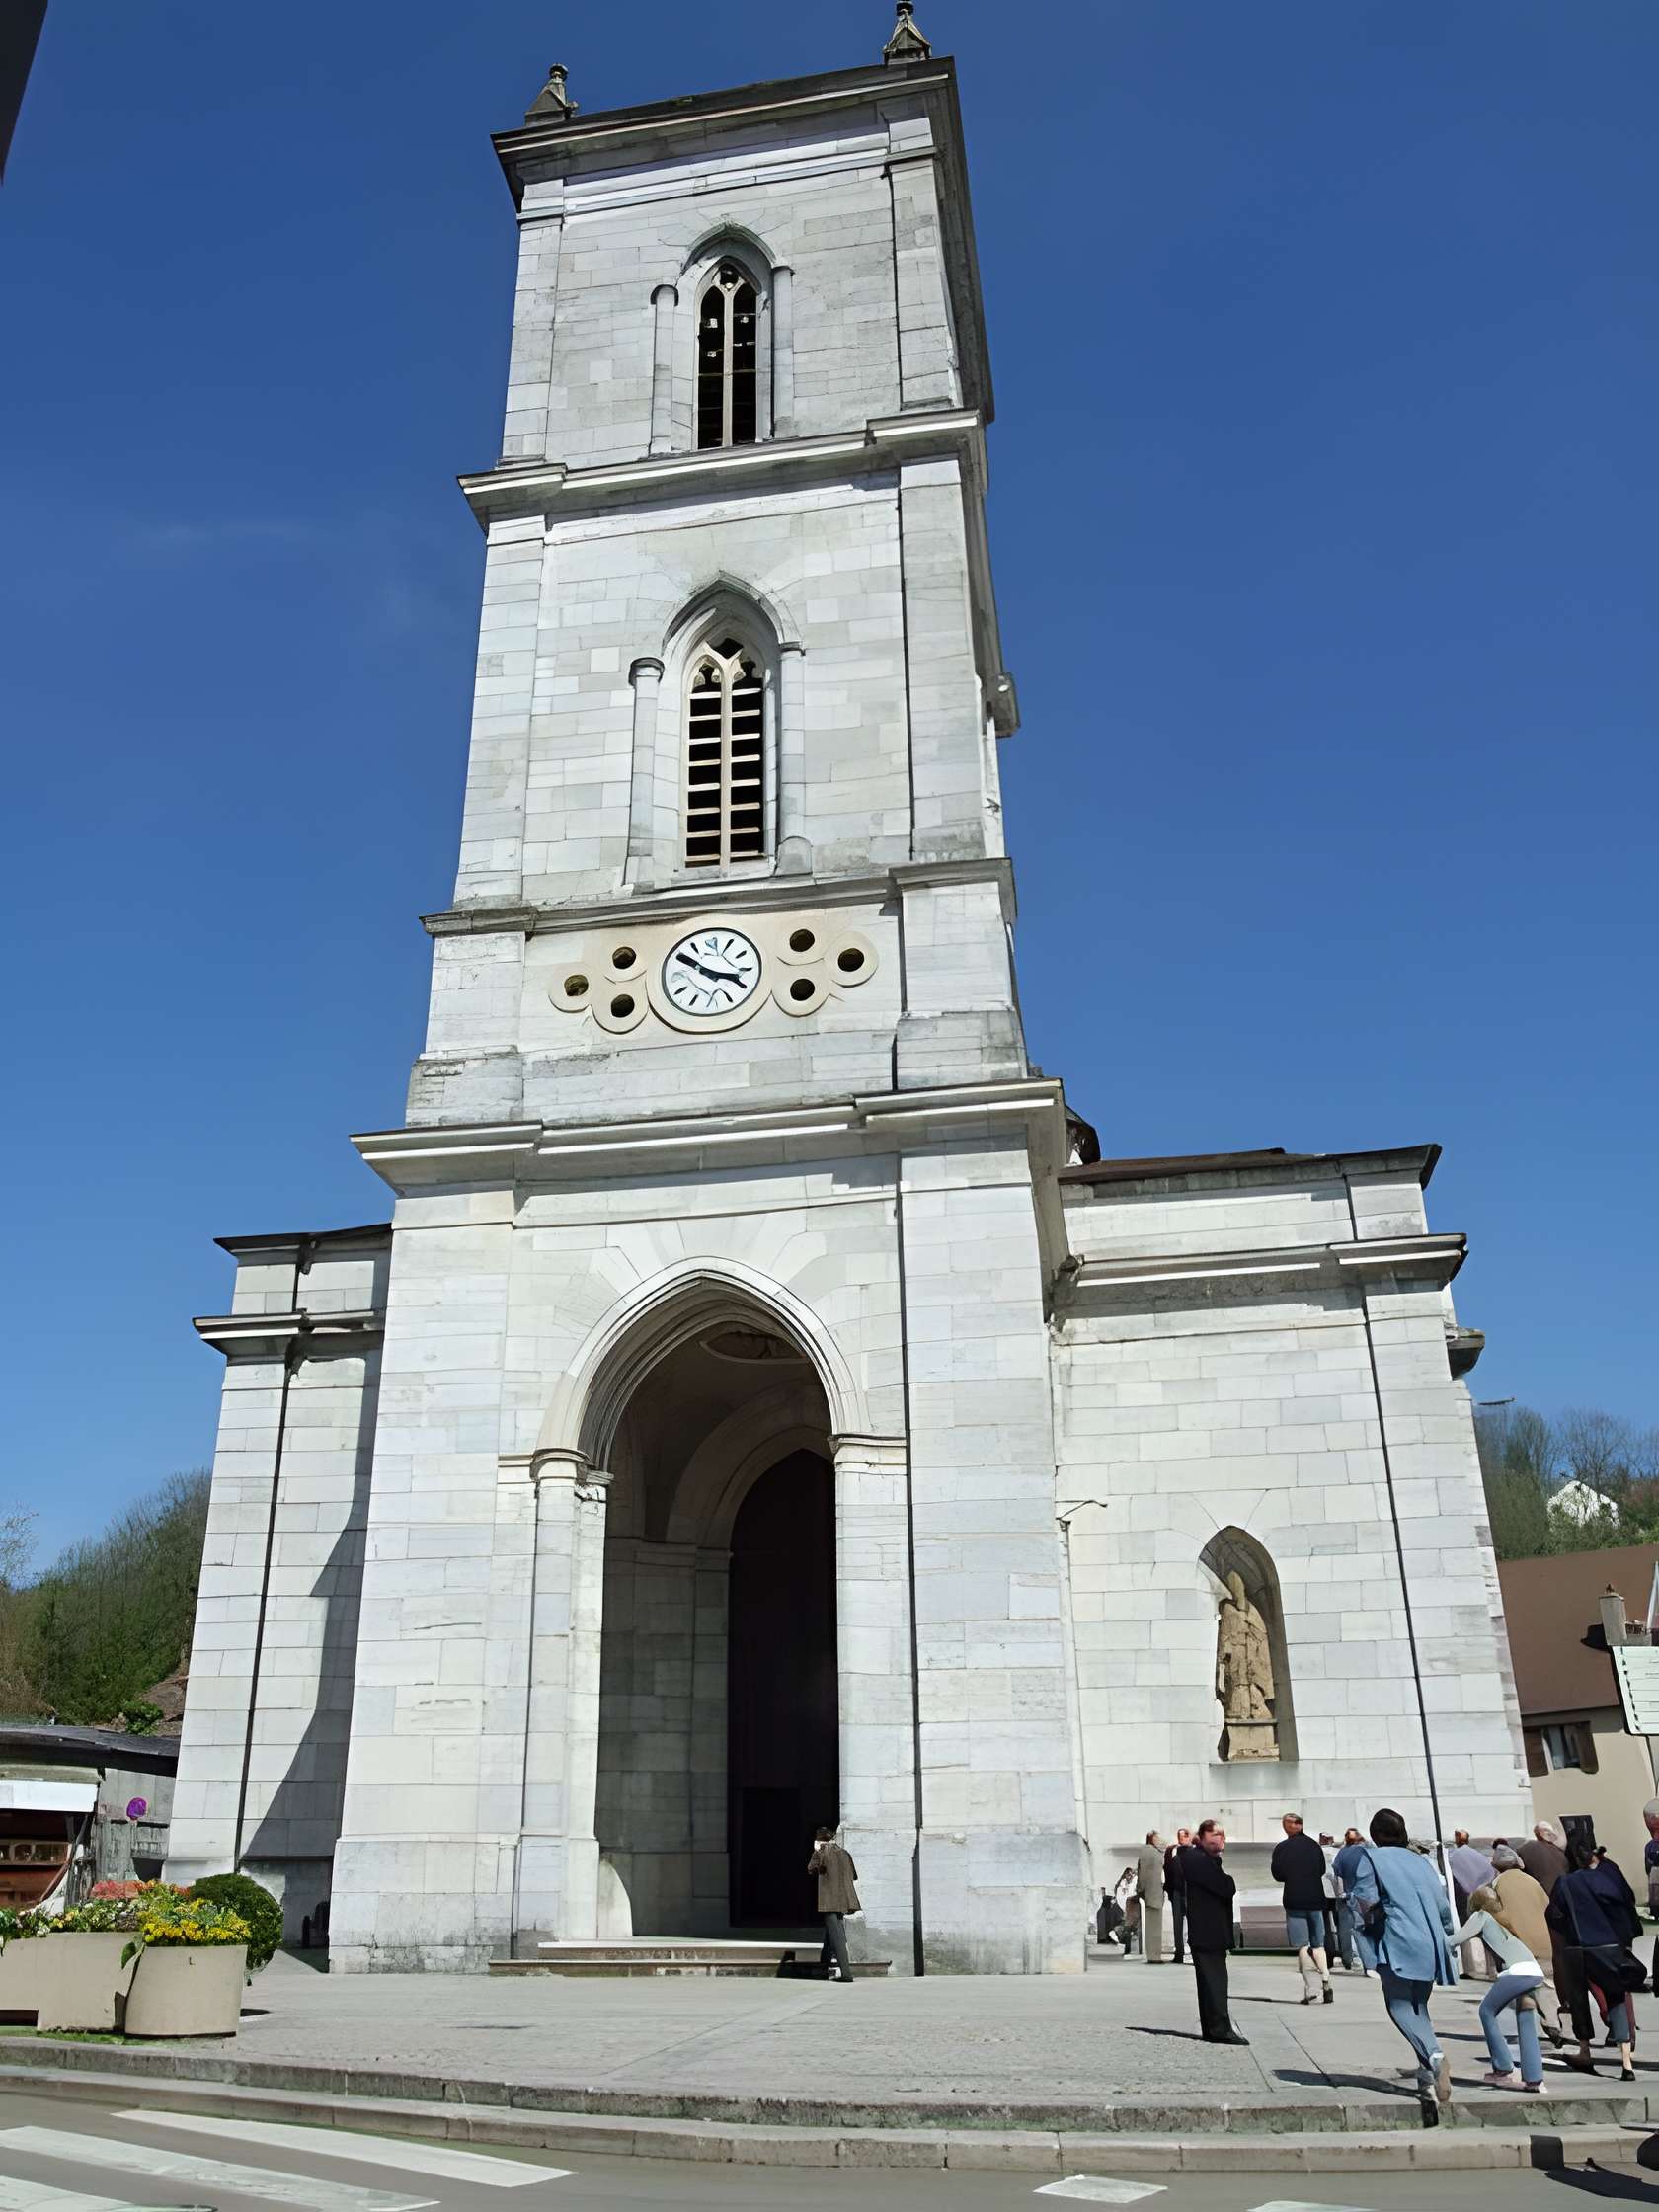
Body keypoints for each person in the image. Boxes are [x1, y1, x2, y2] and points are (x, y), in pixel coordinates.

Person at [1347, 1807, 1458, 2123]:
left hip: (1397, 1938)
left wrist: (1367, 1928)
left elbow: (1365, 1900)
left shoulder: (1372, 1859)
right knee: (1419, 2008)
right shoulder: (1419, 1861)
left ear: (1376, 1834)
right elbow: (1441, 1904)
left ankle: (1435, 2058)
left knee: (1398, 2007)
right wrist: (1446, 1935)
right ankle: (1426, 2077)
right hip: (1430, 1939)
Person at [1548, 1837, 1639, 2080]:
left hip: (1579, 1946)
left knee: (1578, 1997)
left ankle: (1585, 2050)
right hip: (1610, 1945)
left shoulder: (1565, 1883)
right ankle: (1626, 2062)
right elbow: (1626, 1903)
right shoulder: (1608, 1879)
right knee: (1616, 1996)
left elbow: (1553, 1915)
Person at [1451, 1885, 1547, 2093]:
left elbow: (1456, 1940)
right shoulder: (1503, 1921)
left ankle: (1503, 2068)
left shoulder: (1482, 1916)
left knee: (1487, 2011)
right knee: (1526, 2020)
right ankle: (1534, 2078)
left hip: (1517, 1973)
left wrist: (1434, 1942)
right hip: (1533, 1971)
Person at [1489, 1844, 1566, 2050]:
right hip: (1547, 1940)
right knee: (1547, 1984)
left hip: (1521, 1944)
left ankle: (1549, 2025)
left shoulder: (1496, 1886)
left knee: (1532, 1987)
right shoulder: (1532, 1882)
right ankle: (1553, 2020)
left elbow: (1496, 1916)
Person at [1177, 1821, 1246, 2045]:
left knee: (1212, 1982)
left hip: (1210, 1931)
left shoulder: (1205, 1860)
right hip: (1208, 1931)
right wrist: (1229, 1880)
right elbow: (1225, 1887)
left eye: (1222, 1835)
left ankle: (1214, 2028)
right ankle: (1219, 2029)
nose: (1220, 1839)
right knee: (1214, 1983)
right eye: (1214, 1835)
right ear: (1202, 1837)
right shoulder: (1197, 1860)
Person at [1270, 1812, 1332, 2006]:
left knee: (1303, 1946)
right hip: (1316, 1898)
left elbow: (1278, 1875)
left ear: (1289, 1826)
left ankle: (1312, 1988)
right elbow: (1322, 1870)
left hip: (1295, 1900)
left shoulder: (1282, 1848)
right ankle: (1326, 1981)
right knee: (1318, 1945)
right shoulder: (1314, 1846)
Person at [808, 1824, 859, 1984]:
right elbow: (853, 1875)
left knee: (837, 1936)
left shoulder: (821, 1853)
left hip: (829, 1900)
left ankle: (847, 1973)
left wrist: (817, 1851)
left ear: (819, 1840)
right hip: (843, 1900)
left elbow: (811, 1869)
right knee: (833, 1931)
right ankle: (824, 1961)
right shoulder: (845, 1853)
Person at [1449, 1830, 1496, 1980]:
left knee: (1465, 1931)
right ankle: (1493, 1969)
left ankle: (1468, 1968)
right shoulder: (1477, 1855)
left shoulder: (1454, 1855)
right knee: (1484, 1932)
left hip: (1463, 1897)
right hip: (1481, 1895)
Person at [1331, 1826, 1371, 1977]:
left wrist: (1341, 1893)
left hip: (1347, 1896)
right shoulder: (1367, 1851)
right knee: (1364, 1928)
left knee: (1346, 1928)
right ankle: (1367, 1961)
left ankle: (1350, 1959)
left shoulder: (1342, 1853)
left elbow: (1338, 1874)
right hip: (1365, 1896)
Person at [1136, 1831, 1167, 1963]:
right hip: (1153, 1891)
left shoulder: (1150, 1852)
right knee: (1154, 1925)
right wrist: (1142, 1889)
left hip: (1152, 1891)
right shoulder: (1150, 1852)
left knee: (1153, 1925)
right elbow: (1143, 1872)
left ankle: (1154, 1955)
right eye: (1157, 1838)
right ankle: (1154, 1956)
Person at [1519, 1820, 1570, 1895]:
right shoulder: (1560, 1852)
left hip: (1543, 1894)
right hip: (1563, 1893)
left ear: (1537, 1834)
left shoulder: (1528, 1847)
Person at [1164, 1828, 1191, 1964]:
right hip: (1179, 1892)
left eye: (1185, 1836)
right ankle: (1180, 1953)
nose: (1182, 1838)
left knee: (1186, 1925)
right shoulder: (1174, 1854)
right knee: (1180, 1925)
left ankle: (1185, 1952)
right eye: (1181, 1836)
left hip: (1184, 1892)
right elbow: (1167, 1872)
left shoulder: (1184, 1855)